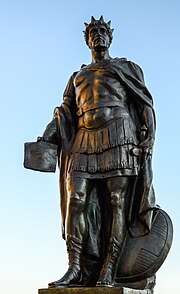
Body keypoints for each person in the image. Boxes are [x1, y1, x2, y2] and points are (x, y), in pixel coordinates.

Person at [40, 16, 156, 287]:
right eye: (93, 32)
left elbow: (144, 104)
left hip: (119, 134)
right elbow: (64, 112)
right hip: (83, 139)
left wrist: (149, 134)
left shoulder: (126, 68)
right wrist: (46, 136)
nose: (98, 36)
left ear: (110, 37)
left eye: (103, 31)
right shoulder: (77, 76)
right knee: (76, 200)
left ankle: (108, 269)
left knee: (116, 201)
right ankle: (75, 268)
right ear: (87, 39)